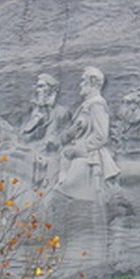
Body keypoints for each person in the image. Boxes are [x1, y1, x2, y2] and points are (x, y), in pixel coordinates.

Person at [57, 67, 120, 201]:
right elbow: (76, 132)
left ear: (93, 82)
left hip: (91, 156)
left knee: (68, 187)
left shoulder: (96, 104)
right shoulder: (86, 105)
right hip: (74, 154)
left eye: (83, 81)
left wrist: (78, 150)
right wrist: (69, 134)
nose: (80, 84)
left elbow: (101, 136)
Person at [20, 73, 71, 189]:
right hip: (32, 151)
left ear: (51, 90)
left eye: (42, 86)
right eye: (37, 86)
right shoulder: (33, 113)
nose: (38, 90)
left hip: (51, 154)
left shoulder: (62, 112)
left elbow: (68, 136)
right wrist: (35, 123)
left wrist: (55, 141)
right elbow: (23, 136)